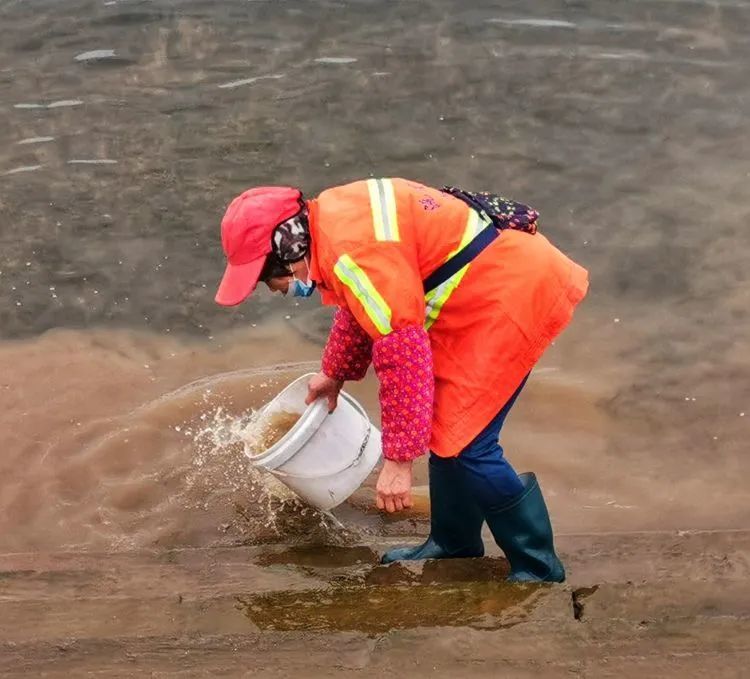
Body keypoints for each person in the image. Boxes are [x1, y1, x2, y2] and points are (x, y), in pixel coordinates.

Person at [214, 178, 588, 582]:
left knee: (470, 445)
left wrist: (398, 462)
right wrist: (334, 374)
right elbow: (366, 303)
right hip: (483, 282)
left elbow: (401, 354)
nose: (275, 290)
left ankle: (538, 566)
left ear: (288, 251)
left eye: (270, 280)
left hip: (511, 288)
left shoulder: (352, 254)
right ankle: (454, 544)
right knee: (446, 429)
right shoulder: (330, 221)